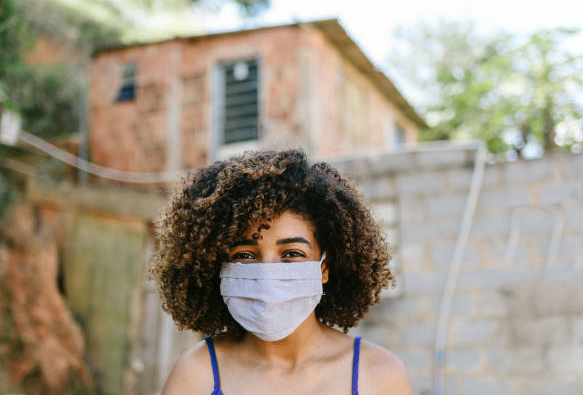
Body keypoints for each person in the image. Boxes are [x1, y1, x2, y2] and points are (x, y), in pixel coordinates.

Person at [151, 149, 414, 395]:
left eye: (292, 254)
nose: (267, 275)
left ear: (324, 268)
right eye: (244, 255)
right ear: (218, 268)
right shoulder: (196, 376)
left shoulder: (381, 376)